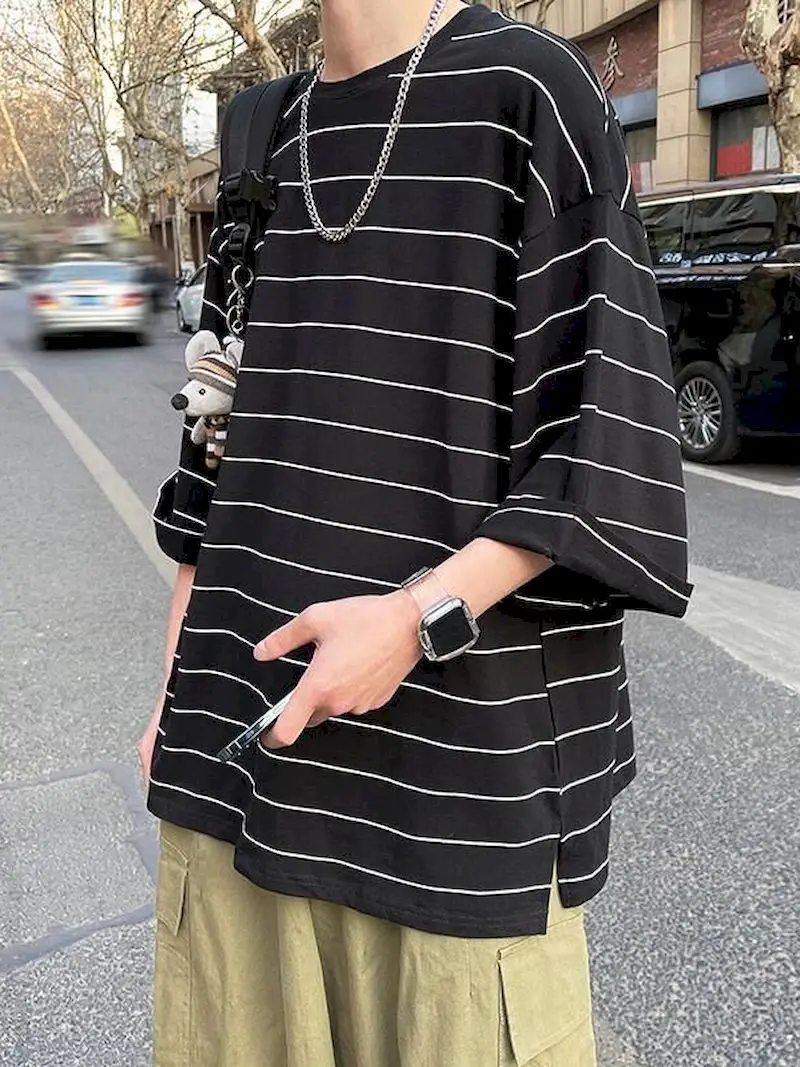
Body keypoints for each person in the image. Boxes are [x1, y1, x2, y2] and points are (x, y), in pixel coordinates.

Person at [141, 1, 690, 1064]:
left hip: (453, 803)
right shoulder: (260, 130)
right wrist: (173, 691)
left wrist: (412, 619)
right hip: (234, 771)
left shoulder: (530, 92)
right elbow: (215, 440)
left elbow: (601, 444)